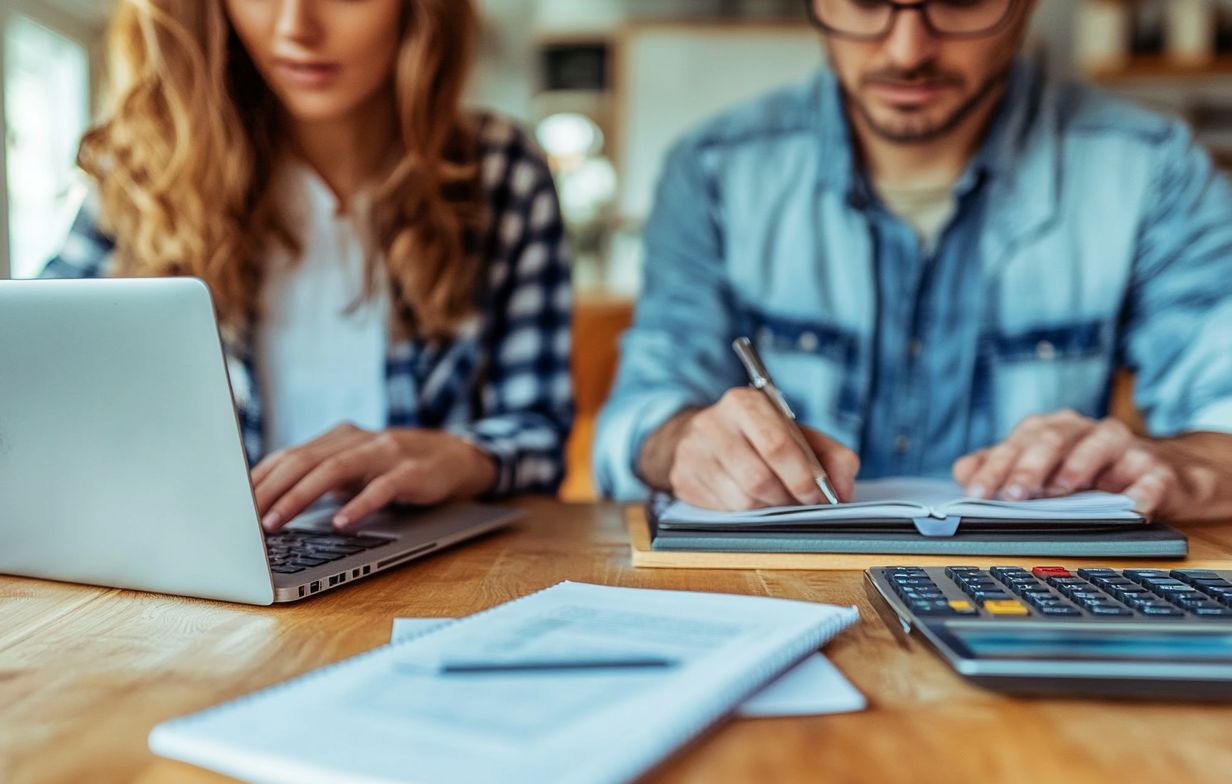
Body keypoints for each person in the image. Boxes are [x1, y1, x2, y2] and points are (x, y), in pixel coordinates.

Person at [594, 0, 1232, 521]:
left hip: (1032, 594)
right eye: (867, 1)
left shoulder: (1155, 171)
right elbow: (637, 419)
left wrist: (1174, 465)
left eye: (958, 2)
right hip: (779, 593)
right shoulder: (712, 171)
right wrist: (682, 445)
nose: (907, 51)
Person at [43, 0, 572, 532]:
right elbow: (34, 359)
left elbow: (540, 438)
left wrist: (460, 457)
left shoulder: (501, 172)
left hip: (429, 581)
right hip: (198, 579)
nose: (296, 27)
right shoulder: (147, 171)